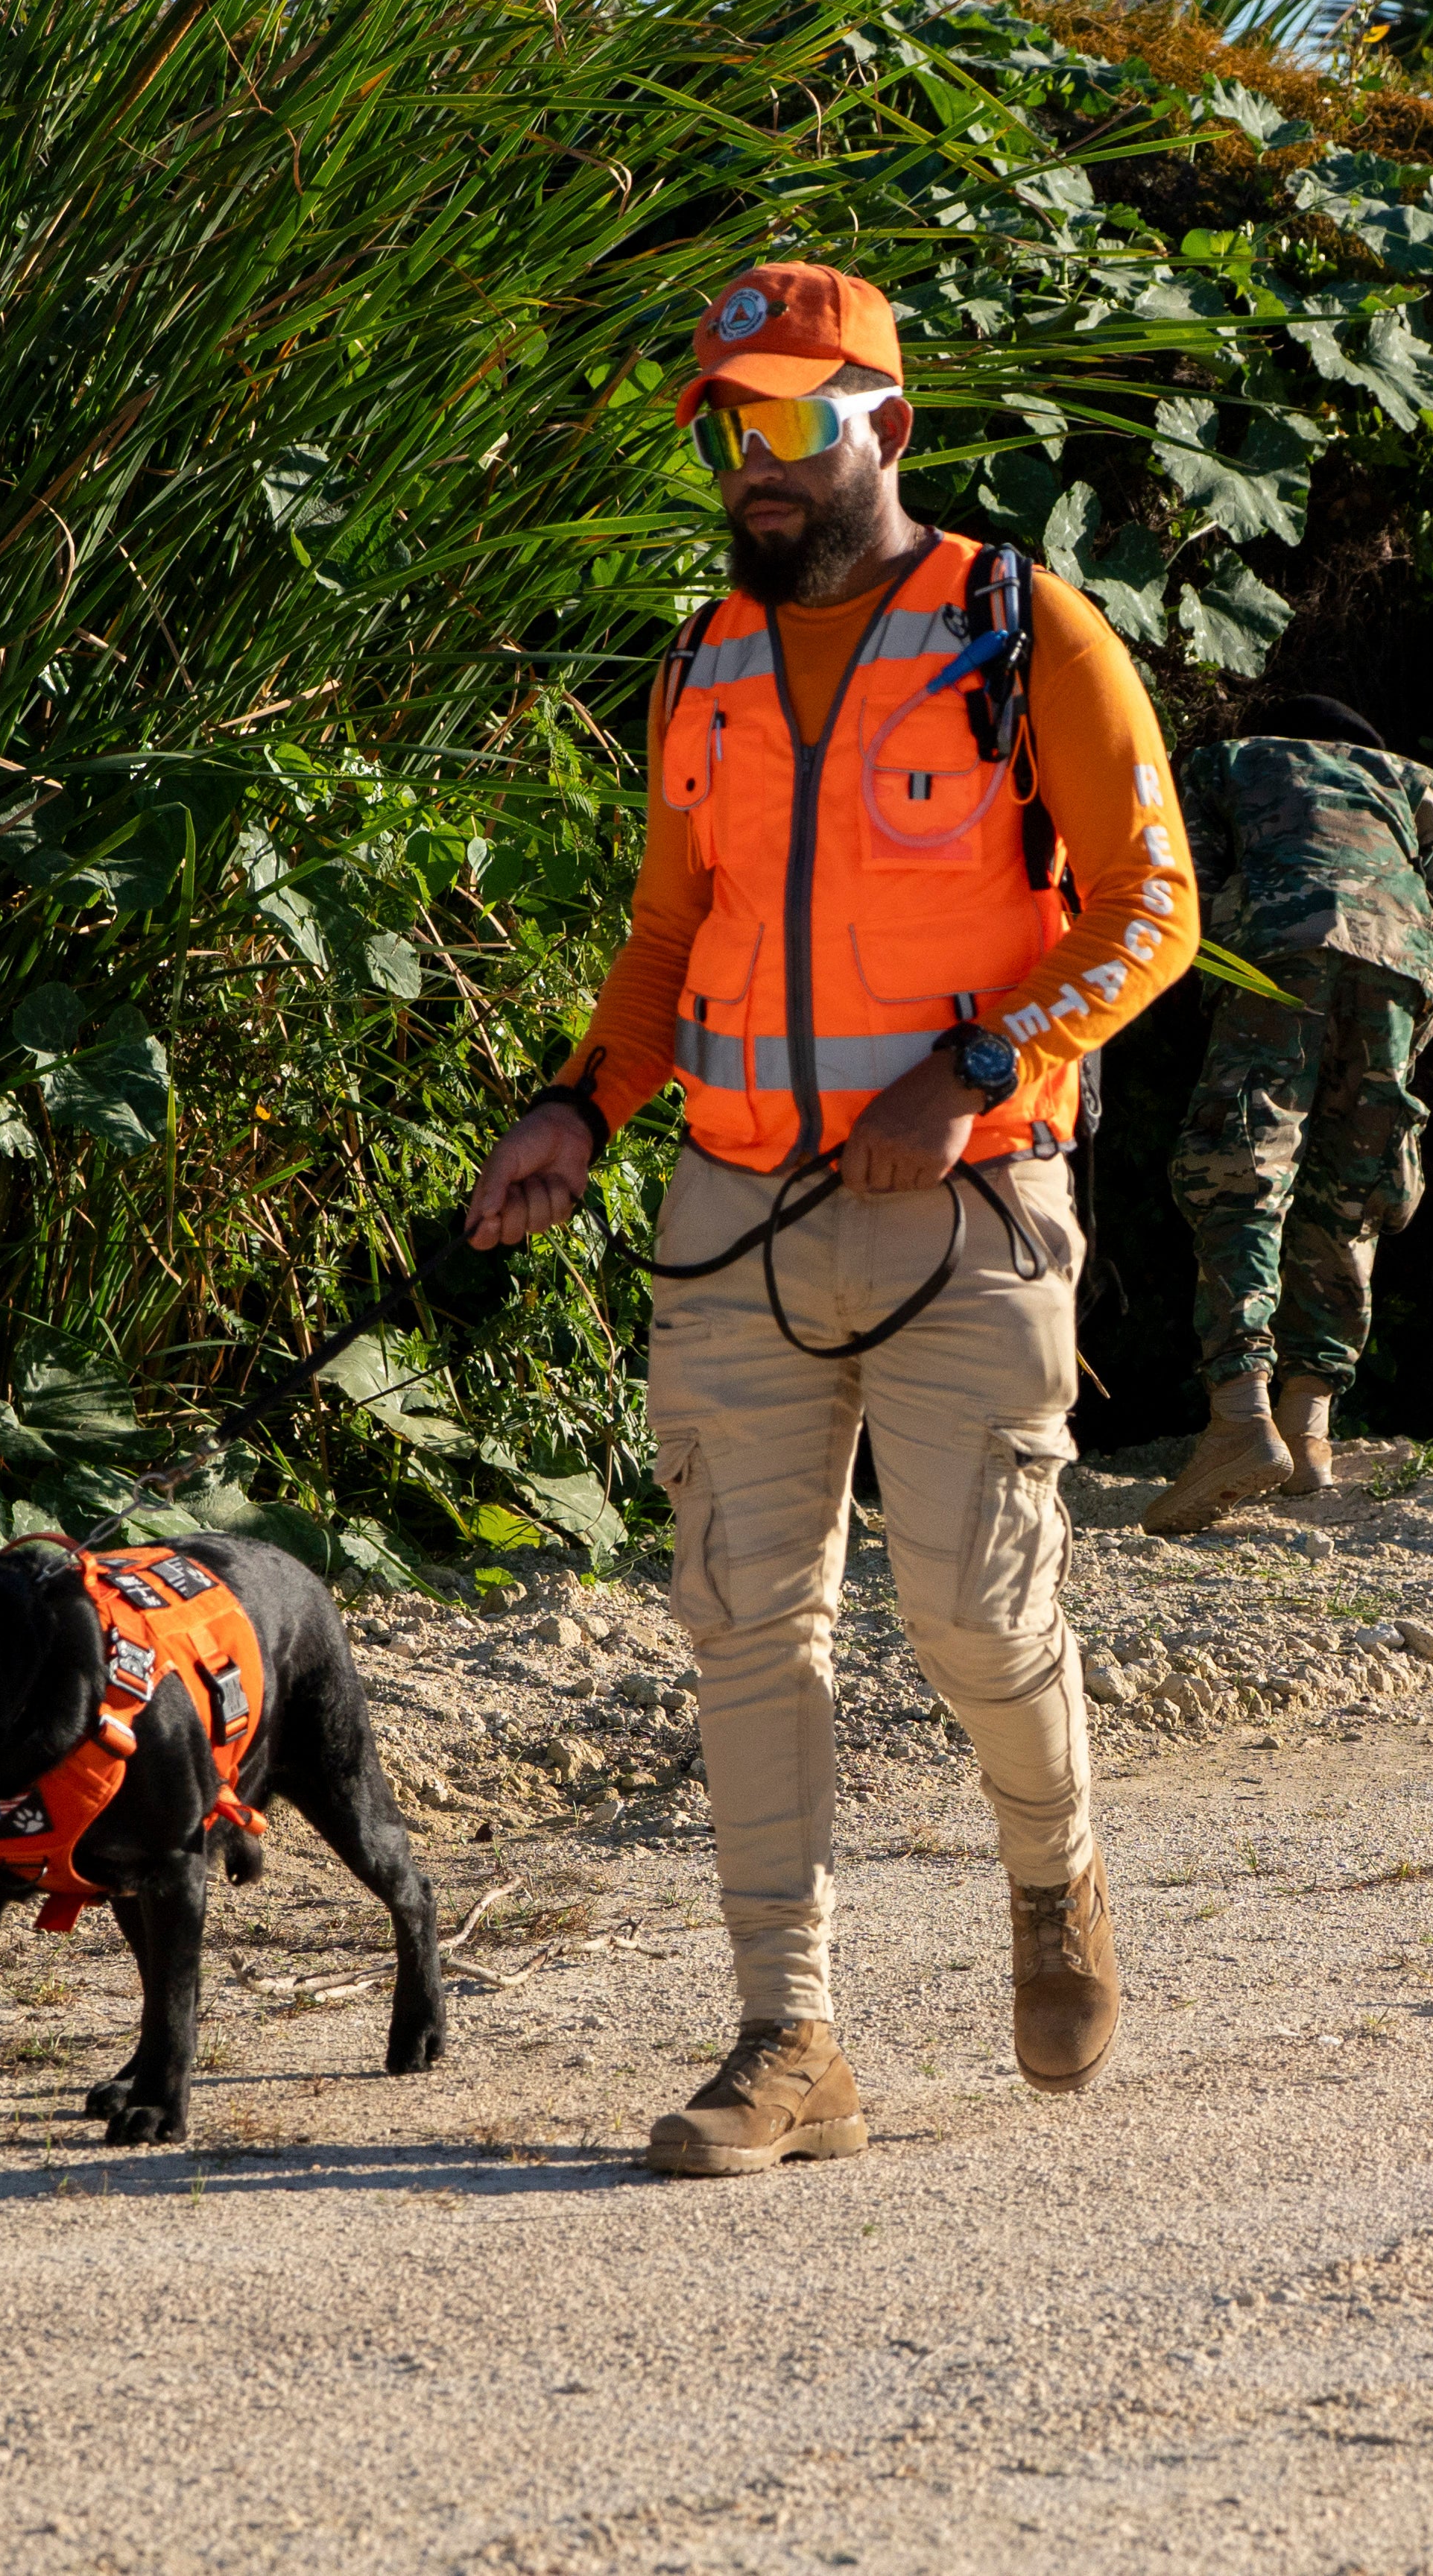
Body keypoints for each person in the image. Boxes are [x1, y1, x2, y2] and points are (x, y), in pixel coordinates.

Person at [461, 259, 1193, 2176]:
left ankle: (1056, 1875)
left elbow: (1151, 909)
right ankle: (790, 2042)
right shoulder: (699, 658)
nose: (756, 467)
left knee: (967, 1603)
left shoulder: (1024, 629)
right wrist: (575, 1107)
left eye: (794, 422)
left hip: (969, 1212)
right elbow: (662, 941)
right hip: (734, 1217)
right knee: (743, 1624)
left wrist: (969, 1068)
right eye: (729, 430)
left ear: (889, 423)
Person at [1146, 691, 1433, 1532]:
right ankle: (1309, 1425)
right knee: (1356, 1176)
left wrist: (1228, 994)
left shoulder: (1230, 757)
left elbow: (1185, 887)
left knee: (1243, 1162)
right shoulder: (1412, 780)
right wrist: (1403, 1037)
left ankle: (1240, 1414)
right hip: (1403, 962)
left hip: (1280, 943)